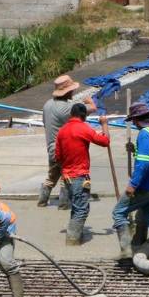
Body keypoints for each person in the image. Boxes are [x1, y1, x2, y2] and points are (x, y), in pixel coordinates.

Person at [112, 102, 149, 261]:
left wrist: (133, 185)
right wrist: (135, 150)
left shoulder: (144, 134)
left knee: (118, 213)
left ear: (138, 120)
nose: (134, 124)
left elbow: (143, 163)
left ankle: (126, 251)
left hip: (145, 186)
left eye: (134, 121)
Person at [55, 102, 110, 245]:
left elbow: (58, 157)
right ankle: (72, 242)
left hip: (66, 178)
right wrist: (104, 124)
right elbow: (105, 141)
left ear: (71, 115)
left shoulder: (62, 131)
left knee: (76, 207)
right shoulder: (83, 128)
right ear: (84, 116)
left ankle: (73, 238)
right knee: (81, 210)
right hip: (79, 176)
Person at [40, 75, 95, 209]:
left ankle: (42, 201)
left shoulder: (47, 105)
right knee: (66, 178)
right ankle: (64, 205)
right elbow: (92, 109)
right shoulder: (68, 108)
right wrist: (90, 102)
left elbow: (44, 123)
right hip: (64, 150)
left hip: (51, 148)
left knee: (51, 176)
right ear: (68, 92)